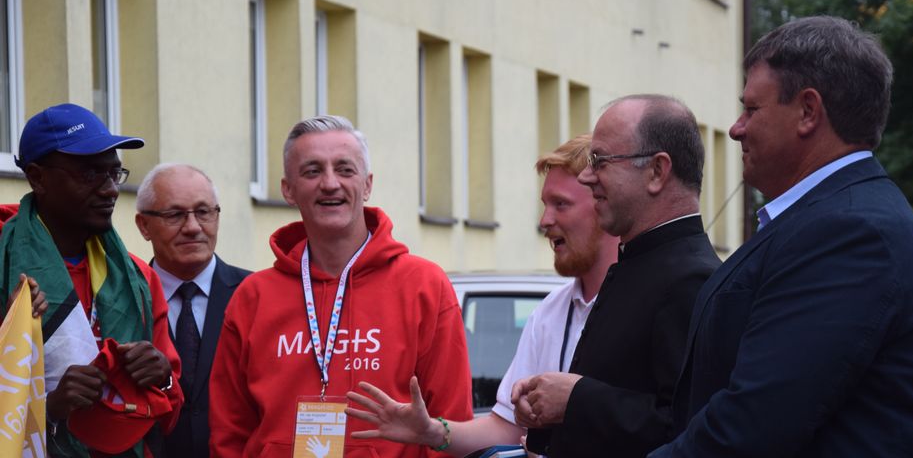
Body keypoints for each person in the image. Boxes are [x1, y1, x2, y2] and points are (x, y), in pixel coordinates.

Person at [650, 17, 913, 457]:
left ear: (807, 111)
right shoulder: (833, 218)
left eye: (752, 109)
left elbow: (754, 423)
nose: (736, 128)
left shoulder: (850, 232)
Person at [209, 115, 473, 457]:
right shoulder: (253, 297)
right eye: (312, 171)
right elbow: (229, 432)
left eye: (345, 170)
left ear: (367, 185)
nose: (330, 183)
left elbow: (450, 423)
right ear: (288, 189)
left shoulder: (424, 286)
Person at [344, 134, 620, 456]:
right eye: (545, 205)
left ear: (603, 203)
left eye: (561, 204)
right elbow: (505, 428)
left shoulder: (648, 305)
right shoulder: (550, 313)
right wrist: (433, 431)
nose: (544, 220)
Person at [512, 95, 722, 457]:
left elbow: (689, 429)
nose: (587, 176)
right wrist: (547, 408)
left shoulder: (692, 280)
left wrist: (575, 399)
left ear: (657, 171)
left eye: (601, 161)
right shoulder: (637, 262)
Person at [0, 103, 182, 456]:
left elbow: (171, 409)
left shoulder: (138, 278)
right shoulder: (7, 270)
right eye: (90, 174)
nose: (110, 189)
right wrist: (50, 408)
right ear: (37, 178)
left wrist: (162, 377)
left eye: (114, 173)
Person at [135, 164, 251, 458]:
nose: (193, 227)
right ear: (144, 225)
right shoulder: (124, 299)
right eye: (174, 215)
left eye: (203, 212)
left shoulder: (255, 295)